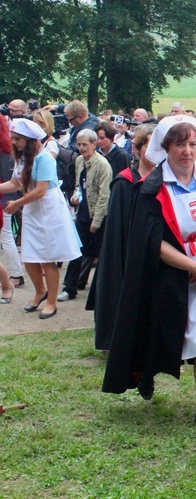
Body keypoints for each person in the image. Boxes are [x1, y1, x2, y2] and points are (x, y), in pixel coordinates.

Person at [102, 116, 196, 433]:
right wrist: (191, 266)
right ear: (166, 148)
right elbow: (149, 242)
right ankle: (146, 372)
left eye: (192, 144)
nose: (187, 151)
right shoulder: (152, 187)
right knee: (159, 332)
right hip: (167, 275)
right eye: (179, 144)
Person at [86, 124, 156, 351]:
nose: (154, 151)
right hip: (129, 254)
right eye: (149, 145)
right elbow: (118, 232)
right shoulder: (125, 183)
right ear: (137, 149)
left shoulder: (168, 181)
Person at [0, 119, 81, 318]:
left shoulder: (44, 158)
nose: (14, 142)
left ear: (29, 140)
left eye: (18, 139)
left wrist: (17, 204)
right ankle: (40, 292)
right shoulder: (22, 158)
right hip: (33, 209)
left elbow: (41, 191)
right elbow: (14, 183)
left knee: (47, 259)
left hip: (48, 210)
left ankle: (51, 302)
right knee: (29, 256)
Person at [58, 129, 112, 302]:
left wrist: (96, 221)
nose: (81, 148)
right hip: (82, 212)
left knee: (100, 254)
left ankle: (102, 290)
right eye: (79, 144)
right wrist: (76, 196)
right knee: (75, 251)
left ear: (94, 144)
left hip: (97, 215)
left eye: (85, 145)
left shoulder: (103, 165)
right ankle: (70, 288)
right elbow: (79, 184)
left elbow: (105, 195)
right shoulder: (79, 161)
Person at [0, 116, 24, 289]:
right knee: (7, 237)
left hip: (4, 199)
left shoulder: (5, 152)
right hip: (9, 197)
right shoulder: (9, 150)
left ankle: (17, 274)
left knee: (7, 238)